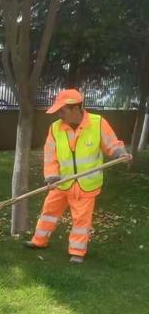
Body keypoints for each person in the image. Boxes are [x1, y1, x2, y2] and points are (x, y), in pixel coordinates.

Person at [25, 89, 132, 263]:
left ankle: (77, 252)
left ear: (75, 109)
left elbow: (112, 143)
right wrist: (52, 177)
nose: (59, 115)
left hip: (86, 183)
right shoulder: (55, 128)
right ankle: (39, 241)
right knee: (48, 212)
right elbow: (50, 155)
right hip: (61, 182)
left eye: (62, 111)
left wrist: (120, 153)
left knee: (81, 219)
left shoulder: (98, 123)